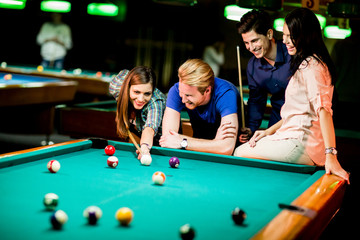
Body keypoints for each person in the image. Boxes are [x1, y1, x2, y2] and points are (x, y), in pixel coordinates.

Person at [233, 8, 349, 184]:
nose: (285, 41)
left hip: (301, 141)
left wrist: (331, 154)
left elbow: (324, 111)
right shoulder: (304, 62)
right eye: (285, 35)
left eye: (291, 35)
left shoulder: (310, 65)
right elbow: (292, 111)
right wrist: (266, 132)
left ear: (306, 35)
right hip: (289, 132)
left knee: (239, 153)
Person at [159, 59, 243, 155]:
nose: (183, 100)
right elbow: (168, 139)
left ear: (207, 90)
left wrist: (183, 142)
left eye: (188, 95)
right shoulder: (176, 90)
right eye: (181, 94)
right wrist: (216, 143)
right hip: (196, 153)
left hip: (228, 160)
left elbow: (226, 148)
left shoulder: (226, 94)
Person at [236, 10, 292, 142]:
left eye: (254, 41)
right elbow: (256, 100)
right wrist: (250, 128)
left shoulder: (292, 54)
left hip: (301, 119)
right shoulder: (253, 66)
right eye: (246, 43)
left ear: (269, 33)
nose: (250, 48)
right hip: (277, 119)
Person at [109, 66, 167, 160]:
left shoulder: (156, 102)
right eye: (136, 92)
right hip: (138, 134)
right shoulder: (117, 87)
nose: (141, 99)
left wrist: (144, 149)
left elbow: (150, 128)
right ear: (128, 87)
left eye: (147, 93)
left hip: (161, 146)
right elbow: (124, 72)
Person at [331, 19, 360, 130]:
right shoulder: (340, 46)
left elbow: (331, 73)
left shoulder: (340, 46)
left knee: (340, 138)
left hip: (341, 99)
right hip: (357, 102)